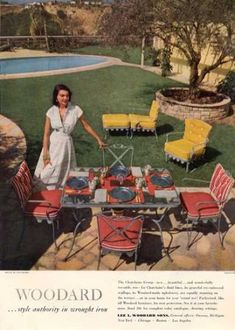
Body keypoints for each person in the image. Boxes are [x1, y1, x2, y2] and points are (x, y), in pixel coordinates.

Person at [33, 84, 106, 190]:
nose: (65, 98)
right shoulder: (51, 111)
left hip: (66, 145)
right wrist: (45, 155)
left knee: (64, 173)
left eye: (67, 96)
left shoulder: (75, 110)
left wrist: (98, 139)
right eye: (62, 95)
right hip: (53, 145)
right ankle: (46, 192)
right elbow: (46, 134)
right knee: (47, 171)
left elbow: (86, 125)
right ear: (56, 97)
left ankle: (62, 193)